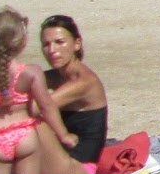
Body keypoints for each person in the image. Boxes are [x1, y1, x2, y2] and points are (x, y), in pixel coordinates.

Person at [0, 7, 77, 174]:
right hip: (25, 135)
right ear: (23, 42)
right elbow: (47, 106)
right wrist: (63, 134)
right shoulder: (30, 72)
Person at [38, 15, 108, 164]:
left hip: (79, 163)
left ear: (76, 44)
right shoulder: (56, 76)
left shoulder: (83, 82)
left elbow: (37, 107)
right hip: (63, 155)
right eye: (46, 44)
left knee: (28, 125)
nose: (52, 50)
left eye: (59, 42)